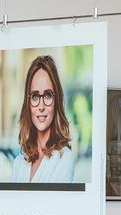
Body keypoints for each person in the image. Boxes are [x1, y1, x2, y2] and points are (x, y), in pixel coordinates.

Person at [10, 54, 76, 184]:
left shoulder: (64, 158)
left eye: (47, 95)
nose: (41, 106)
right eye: (35, 96)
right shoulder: (18, 163)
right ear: (28, 102)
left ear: (56, 100)